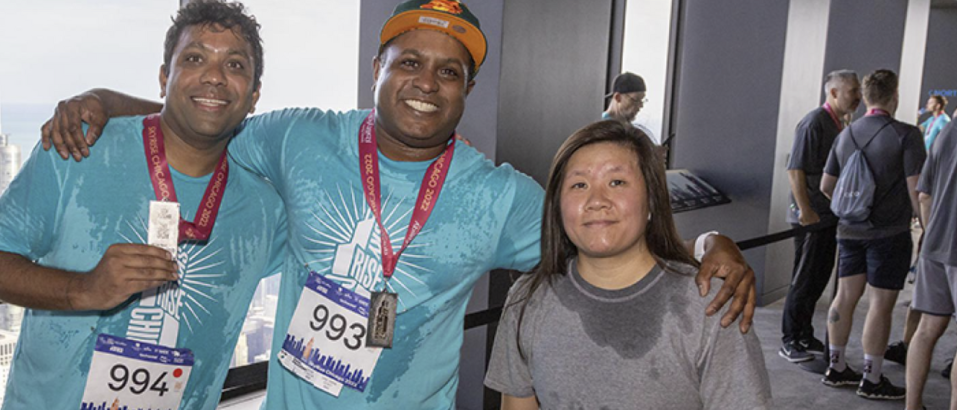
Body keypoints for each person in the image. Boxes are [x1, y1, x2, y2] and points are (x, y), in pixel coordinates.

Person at [40, 1, 759, 408]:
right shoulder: (300, 138)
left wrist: (705, 245)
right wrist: (106, 102)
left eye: (450, 71)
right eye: (408, 62)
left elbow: (603, 229)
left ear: (466, 91)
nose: (427, 81)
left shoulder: (499, 193)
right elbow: (200, 124)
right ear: (375, 69)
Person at [0, 2, 287, 410]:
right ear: (165, 78)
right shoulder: (80, 150)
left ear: (254, 96)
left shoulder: (265, 210)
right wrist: (83, 290)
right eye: (195, 58)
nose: (215, 76)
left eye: (235, 65)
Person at [484, 120, 771, 410]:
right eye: (579, 185)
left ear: (651, 200)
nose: (596, 200)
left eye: (617, 182)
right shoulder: (529, 299)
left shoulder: (708, 305)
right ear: (558, 206)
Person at [819, 69, 927, 400]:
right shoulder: (906, 135)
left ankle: (835, 368)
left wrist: (855, 207)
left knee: (845, 297)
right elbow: (916, 189)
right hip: (889, 233)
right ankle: (872, 376)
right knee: (880, 304)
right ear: (894, 95)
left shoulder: (846, 135)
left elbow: (826, 186)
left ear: (865, 97)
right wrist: (924, 226)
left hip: (849, 231)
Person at [778, 69, 859, 363]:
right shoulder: (814, 123)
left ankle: (803, 332)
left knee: (817, 278)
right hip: (811, 217)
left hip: (827, 216)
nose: (858, 97)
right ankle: (790, 339)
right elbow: (795, 169)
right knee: (804, 277)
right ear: (834, 92)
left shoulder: (838, 124)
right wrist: (806, 210)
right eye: (852, 91)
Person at [904, 111, 957, 410]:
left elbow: (924, 195)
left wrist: (930, 232)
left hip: (935, 245)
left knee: (926, 328)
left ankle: (912, 406)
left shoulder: (946, 134)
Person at [602, 72, 659, 148]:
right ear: (618, 97)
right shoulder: (602, 128)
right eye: (636, 100)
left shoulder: (628, 127)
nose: (640, 105)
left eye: (642, 100)